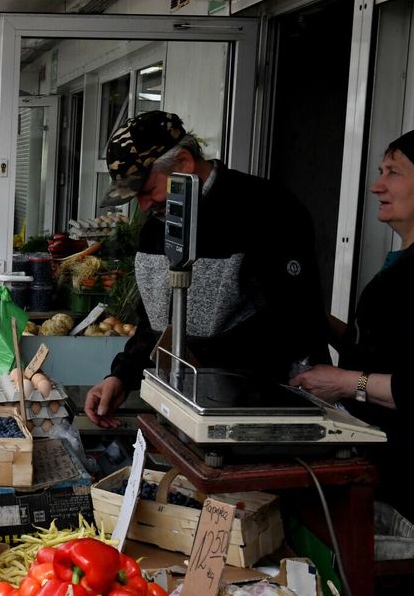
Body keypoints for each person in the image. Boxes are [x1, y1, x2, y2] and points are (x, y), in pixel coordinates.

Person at [83, 111, 327, 428]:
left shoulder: (266, 212)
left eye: (147, 189)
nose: (143, 206)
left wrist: (206, 372)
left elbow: (291, 323)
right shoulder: (155, 230)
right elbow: (151, 323)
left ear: (184, 162)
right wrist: (122, 375)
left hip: (250, 413)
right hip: (179, 405)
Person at [289, 132, 414, 520]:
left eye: (393, 172)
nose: (378, 185)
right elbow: (382, 351)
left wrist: (345, 382)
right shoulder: (399, 261)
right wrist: (324, 324)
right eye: (380, 171)